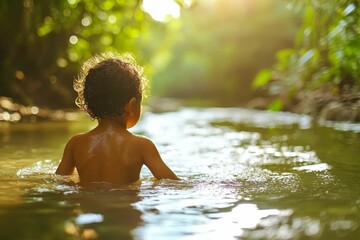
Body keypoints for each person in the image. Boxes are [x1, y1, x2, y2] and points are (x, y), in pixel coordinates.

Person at [56, 52, 179, 184]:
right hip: (123, 203)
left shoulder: (75, 144)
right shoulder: (142, 146)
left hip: (90, 203)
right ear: (131, 106)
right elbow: (172, 183)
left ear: (89, 106)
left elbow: (59, 181)